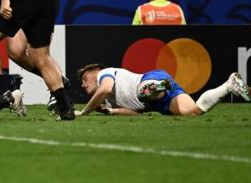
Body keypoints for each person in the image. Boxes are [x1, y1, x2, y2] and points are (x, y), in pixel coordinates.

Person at [76, 64, 251, 116]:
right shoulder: (109, 100)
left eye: (84, 79)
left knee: (142, 91)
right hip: (158, 101)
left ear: (95, 72)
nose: (83, 85)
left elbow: (104, 89)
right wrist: (111, 111)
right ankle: (229, 85)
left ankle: (157, 88)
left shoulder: (104, 74)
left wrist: (84, 112)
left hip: (149, 80)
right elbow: (135, 114)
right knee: (194, 112)